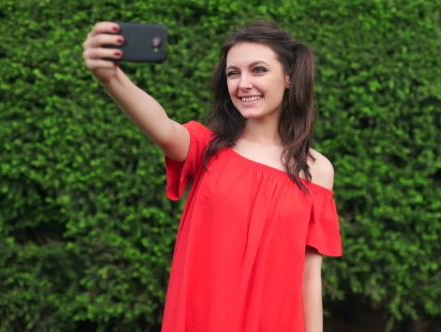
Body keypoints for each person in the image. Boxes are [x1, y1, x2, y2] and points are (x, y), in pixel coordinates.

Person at [83, 19, 342, 332]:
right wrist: (110, 77)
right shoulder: (208, 148)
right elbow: (164, 129)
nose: (243, 83)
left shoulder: (317, 170)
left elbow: (309, 277)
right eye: (233, 73)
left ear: (289, 77)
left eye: (258, 70)